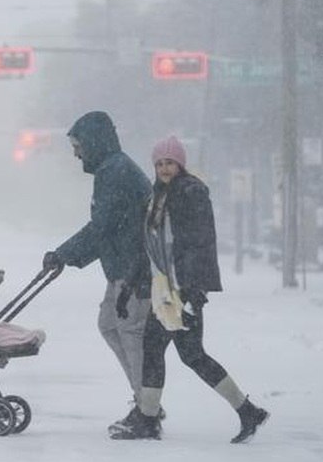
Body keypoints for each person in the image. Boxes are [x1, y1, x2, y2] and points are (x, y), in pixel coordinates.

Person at [110, 135, 269, 443]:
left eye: (170, 162)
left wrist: (195, 290)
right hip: (165, 290)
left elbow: (200, 243)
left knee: (187, 354)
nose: (164, 168)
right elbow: (149, 248)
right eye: (159, 164)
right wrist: (129, 287)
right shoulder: (158, 197)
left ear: (180, 164)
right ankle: (151, 418)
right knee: (164, 351)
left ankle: (151, 419)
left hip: (183, 290)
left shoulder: (190, 193)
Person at [42, 111, 153, 435]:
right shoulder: (112, 168)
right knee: (110, 325)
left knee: (130, 331)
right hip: (123, 265)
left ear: (93, 142)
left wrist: (63, 255)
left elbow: (102, 227)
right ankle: (145, 401)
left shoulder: (114, 172)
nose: (76, 152)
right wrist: (67, 256)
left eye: (78, 145)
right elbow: (106, 228)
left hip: (134, 267)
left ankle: (147, 410)